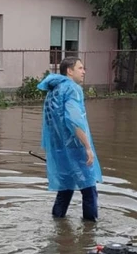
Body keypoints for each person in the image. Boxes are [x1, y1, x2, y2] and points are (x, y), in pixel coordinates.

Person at [37, 57, 103, 221]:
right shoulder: (73, 89)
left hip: (59, 149)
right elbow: (74, 120)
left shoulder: (54, 90)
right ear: (69, 71)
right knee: (89, 189)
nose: (84, 72)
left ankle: (58, 225)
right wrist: (87, 147)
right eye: (80, 68)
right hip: (76, 146)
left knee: (65, 189)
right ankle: (90, 232)